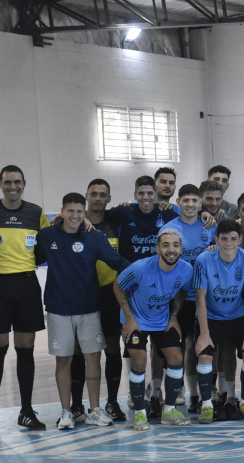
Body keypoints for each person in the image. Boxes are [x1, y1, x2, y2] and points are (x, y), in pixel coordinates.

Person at [36, 193, 130, 429]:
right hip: (58, 310)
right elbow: (30, 256)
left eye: (79, 211)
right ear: (62, 212)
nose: (75, 215)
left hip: (89, 309)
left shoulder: (94, 237)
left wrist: (145, 271)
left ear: (84, 213)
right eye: (70, 211)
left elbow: (116, 261)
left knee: (93, 358)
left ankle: (95, 410)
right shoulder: (47, 235)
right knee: (63, 361)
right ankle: (66, 412)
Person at [0, 165, 50, 432]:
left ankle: (26, 411)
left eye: (17, 182)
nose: (13, 186)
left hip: (27, 284)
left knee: (26, 349)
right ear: (0, 184)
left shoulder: (36, 212)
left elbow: (49, 241)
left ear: (24, 183)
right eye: (7, 182)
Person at [107, 176, 179, 417]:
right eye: (142, 193)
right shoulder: (123, 212)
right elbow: (97, 216)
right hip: (132, 288)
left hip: (160, 288)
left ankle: (156, 390)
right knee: (132, 342)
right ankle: (134, 390)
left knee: (160, 345)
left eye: (150, 193)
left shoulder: (167, 213)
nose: (146, 198)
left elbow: (189, 219)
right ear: (135, 194)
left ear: (156, 194)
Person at [114, 229, 194, 430]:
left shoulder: (186, 270)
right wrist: (129, 318)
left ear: (181, 249)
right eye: (165, 245)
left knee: (176, 358)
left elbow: (183, 291)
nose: (171, 249)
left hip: (161, 320)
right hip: (136, 320)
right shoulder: (140, 268)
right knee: (139, 360)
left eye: (175, 245)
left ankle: (169, 411)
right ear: (157, 249)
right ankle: (140, 414)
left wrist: (174, 316)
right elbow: (118, 286)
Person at [194, 219, 244, 422]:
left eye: (233, 239)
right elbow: (200, 298)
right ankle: (206, 405)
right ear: (216, 240)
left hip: (237, 316)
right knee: (204, 356)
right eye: (224, 239)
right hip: (211, 317)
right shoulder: (204, 260)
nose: (229, 243)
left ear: (240, 240)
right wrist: (204, 333)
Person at [160, 185, 216, 413]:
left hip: (204, 297)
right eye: (186, 200)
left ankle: (198, 395)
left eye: (194, 200)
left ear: (200, 202)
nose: (190, 205)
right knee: (176, 346)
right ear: (178, 202)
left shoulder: (210, 226)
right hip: (177, 297)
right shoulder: (169, 229)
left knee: (198, 346)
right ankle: (175, 391)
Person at [80, 179, 126, 421]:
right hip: (83, 294)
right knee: (81, 352)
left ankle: (112, 402)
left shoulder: (116, 223)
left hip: (110, 294)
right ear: (86, 196)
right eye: (94, 194)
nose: (98, 198)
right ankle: (76, 405)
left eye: (102, 194)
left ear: (109, 198)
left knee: (112, 348)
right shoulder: (75, 222)